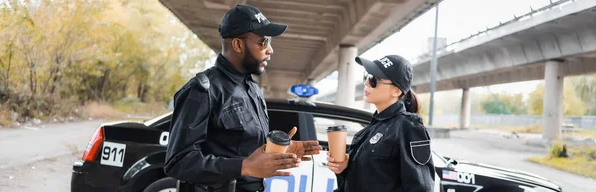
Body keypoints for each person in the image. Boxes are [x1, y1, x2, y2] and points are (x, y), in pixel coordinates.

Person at [164, 4, 322, 192]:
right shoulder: (202, 90)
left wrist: (278, 151)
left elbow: (244, 148)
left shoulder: (253, 89)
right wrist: (244, 166)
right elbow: (178, 162)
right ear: (238, 44)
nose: (270, 50)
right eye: (263, 42)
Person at [327, 55, 435, 192]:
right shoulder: (364, 133)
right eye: (366, 76)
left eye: (374, 79)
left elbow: (421, 188)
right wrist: (342, 170)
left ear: (396, 90)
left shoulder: (409, 127)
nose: (366, 83)